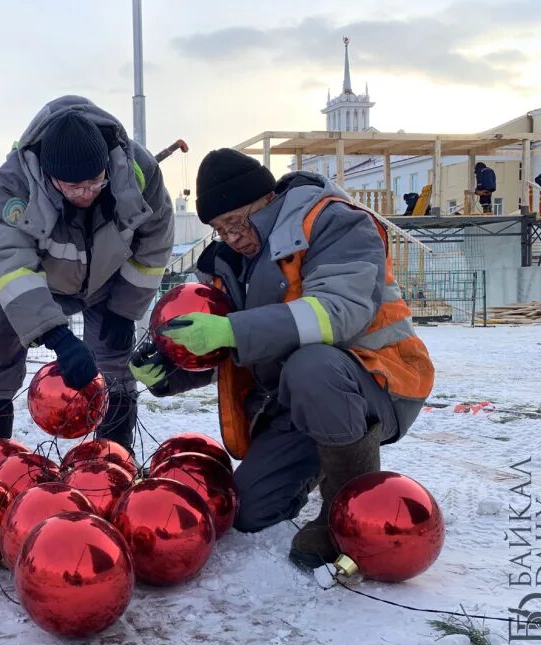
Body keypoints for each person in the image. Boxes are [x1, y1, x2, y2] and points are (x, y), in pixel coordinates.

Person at [129, 150, 434, 568]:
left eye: (235, 223)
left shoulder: (334, 223)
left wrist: (233, 329)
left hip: (376, 381)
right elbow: (222, 349)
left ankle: (345, 511)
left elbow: (337, 313)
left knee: (312, 366)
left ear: (267, 199)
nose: (231, 238)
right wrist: (170, 370)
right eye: (220, 230)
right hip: (294, 405)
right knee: (251, 510)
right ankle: (319, 461)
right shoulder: (225, 265)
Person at [0, 96, 173, 450]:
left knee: (114, 362)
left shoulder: (139, 171)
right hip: (19, 284)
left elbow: (155, 243)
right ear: (49, 176)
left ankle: (114, 461)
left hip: (105, 280)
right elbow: (11, 264)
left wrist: (125, 311)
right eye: (72, 186)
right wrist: (56, 337)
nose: (86, 193)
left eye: (94, 181)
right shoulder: (14, 183)